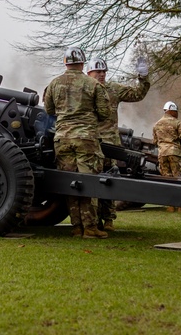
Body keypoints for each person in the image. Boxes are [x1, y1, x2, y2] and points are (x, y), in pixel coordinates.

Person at [44, 46, 111, 239]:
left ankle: (76, 226)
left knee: (70, 183)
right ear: (82, 63)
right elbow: (105, 112)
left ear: (65, 62)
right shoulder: (92, 84)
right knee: (88, 182)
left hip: (62, 138)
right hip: (86, 138)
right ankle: (90, 228)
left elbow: (49, 109)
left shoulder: (54, 84)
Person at [85, 56, 150, 231]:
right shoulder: (83, 89)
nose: (101, 74)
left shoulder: (113, 89)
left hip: (110, 143)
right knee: (91, 181)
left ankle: (108, 220)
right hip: (90, 142)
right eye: (97, 71)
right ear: (88, 72)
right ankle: (93, 221)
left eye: (103, 71)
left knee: (110, 180)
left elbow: (137, 94)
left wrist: (143, 77)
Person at [152, 101, 181, 212]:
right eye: (176, 111)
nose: (177, 113)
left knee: (167, 179)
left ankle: (170, 205)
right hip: (174, 153)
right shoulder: (178, 123)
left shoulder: (157, 124)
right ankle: (180, 206)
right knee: (178, 178)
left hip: (162, 153)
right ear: (172, 111)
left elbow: (154, 141)